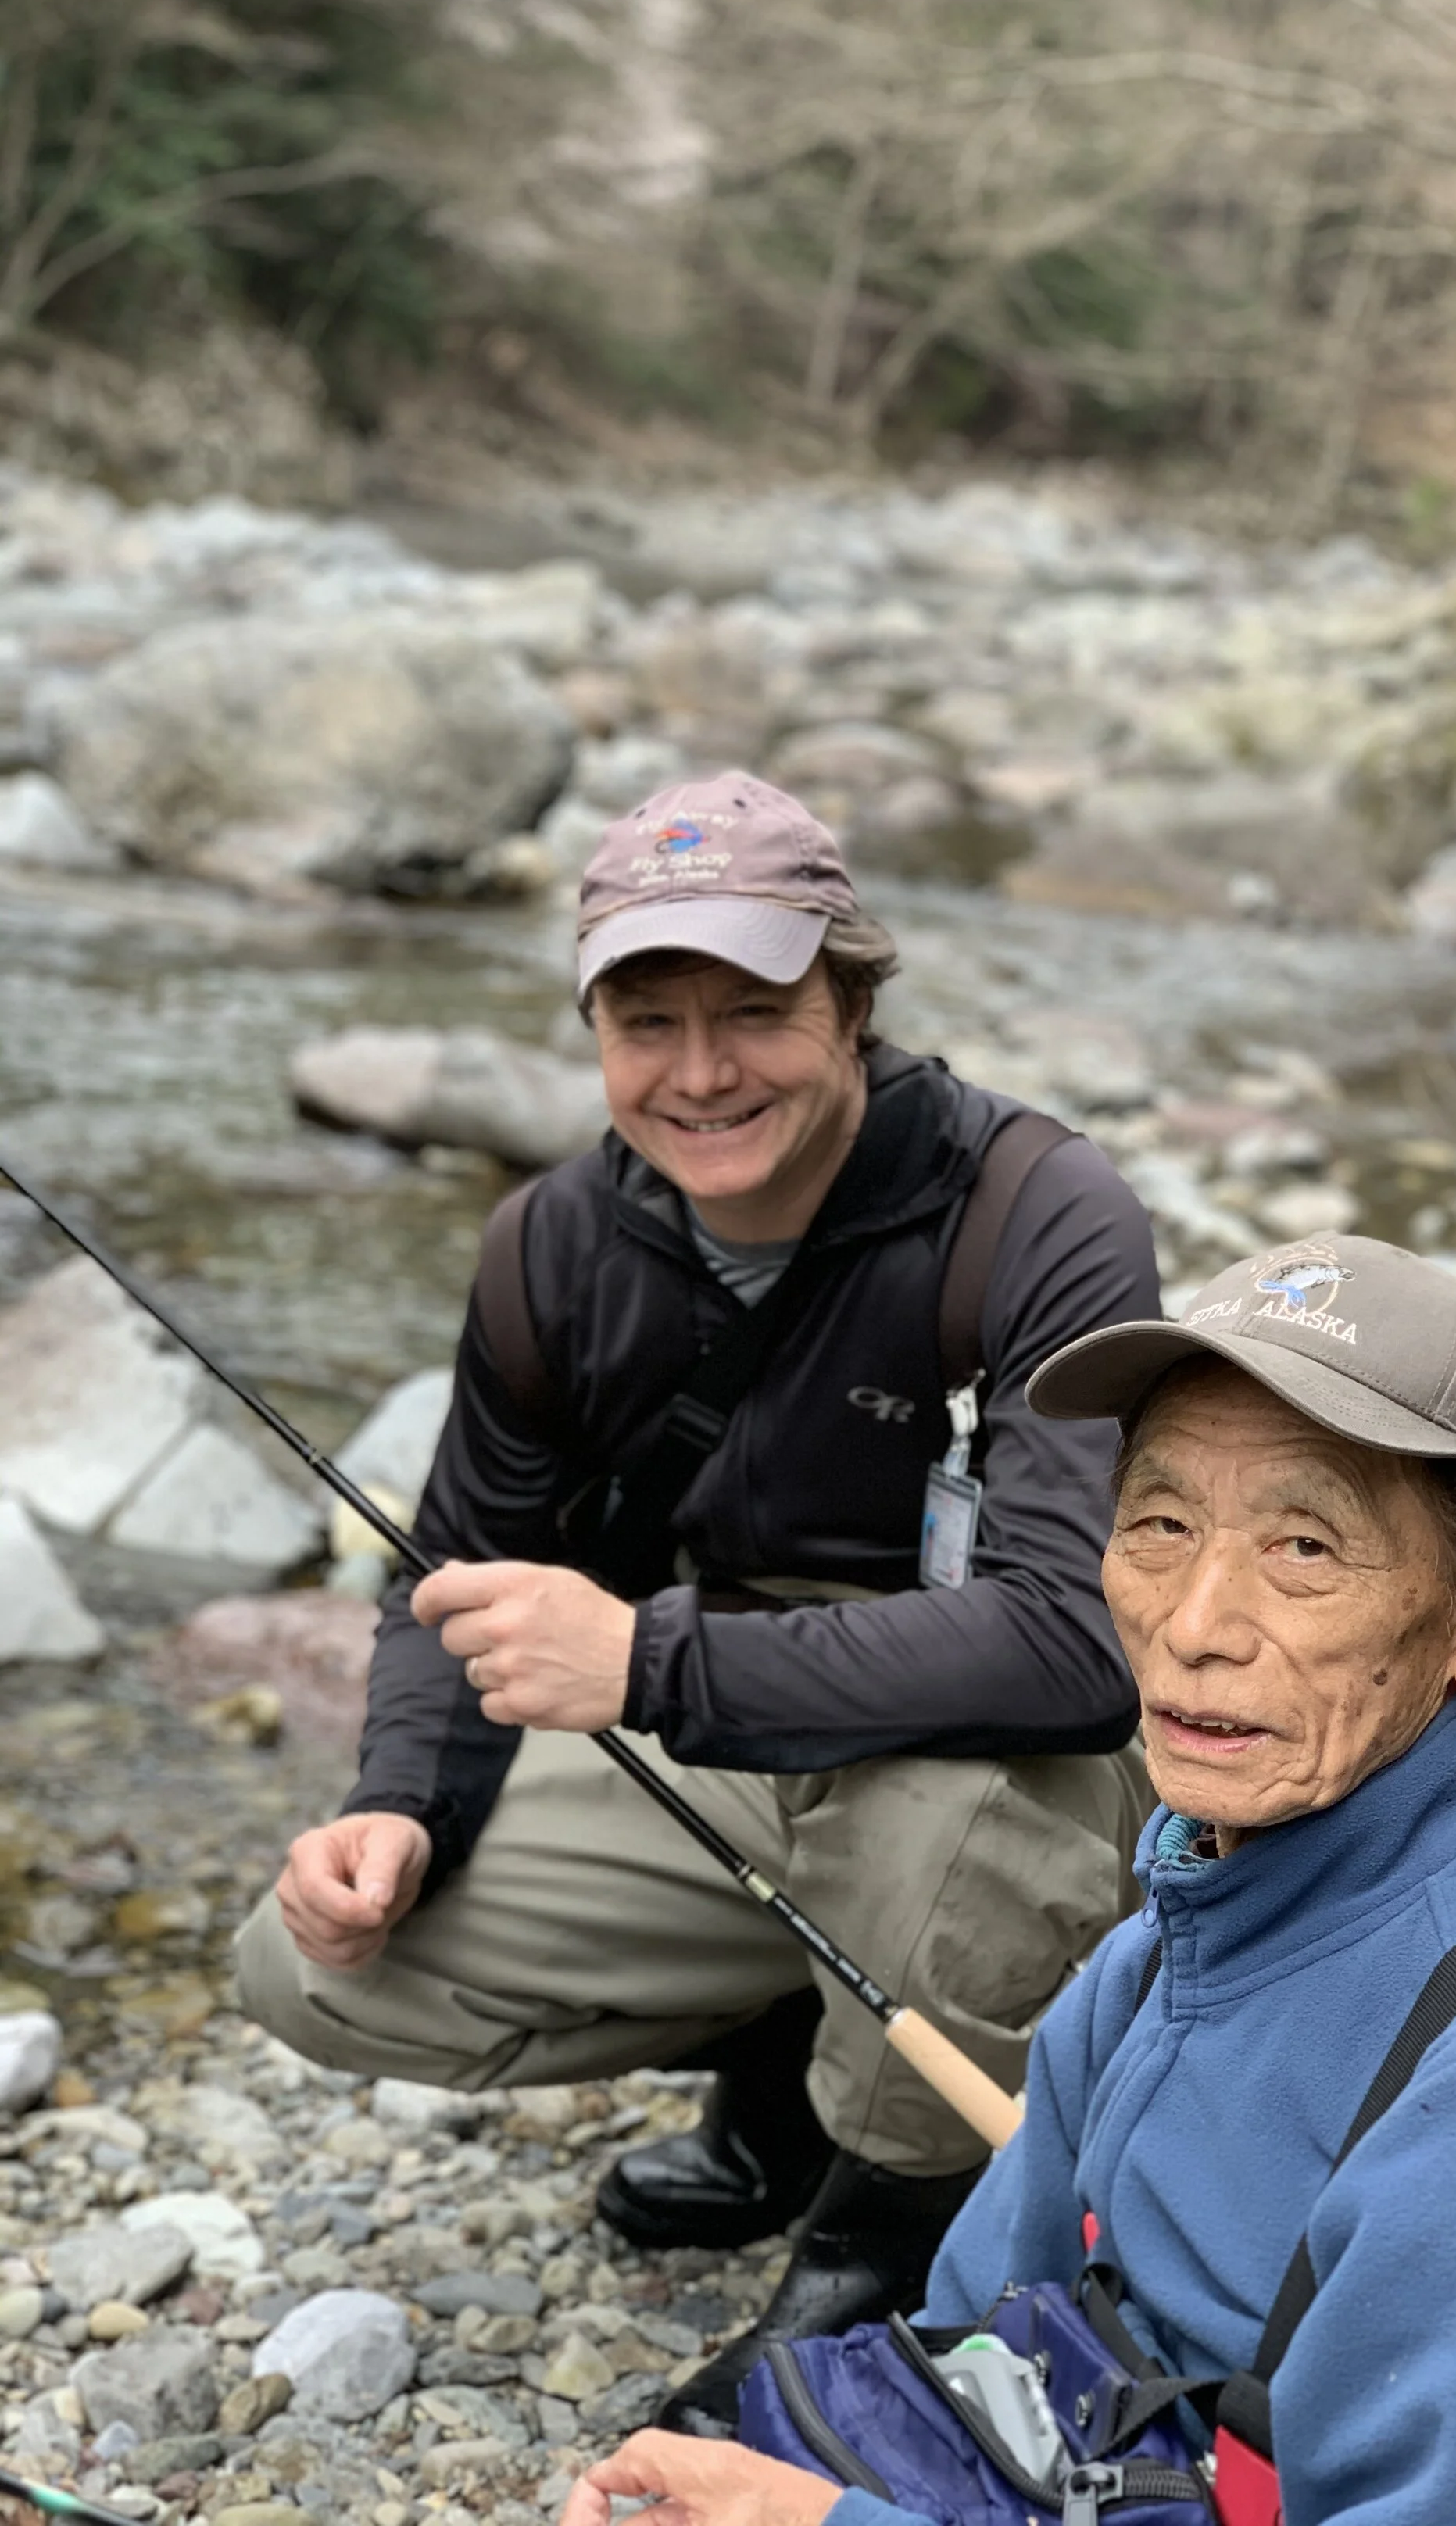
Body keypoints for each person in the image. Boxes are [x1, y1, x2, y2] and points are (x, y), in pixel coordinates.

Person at [560, 1233, 1456, 2526]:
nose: (1196, 1624)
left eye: (1307, 1547)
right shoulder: (1175, 1931)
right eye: (1159, 1521)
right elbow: (962, 2358)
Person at [234, 773, 1160, 2431]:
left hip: (1016, 1752)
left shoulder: (1038, 1212)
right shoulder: (550, 1245)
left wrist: (646, 1654)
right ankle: (788, 2079)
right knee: (312, 1969)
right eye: (645, 1018)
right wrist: (394, 1806)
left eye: (753, 1011)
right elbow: (448, 1577)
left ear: (853, 1004)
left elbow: (1076, 1645)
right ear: (593, 1031)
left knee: (940, 1834)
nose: (699, 1069)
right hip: (729, 1722)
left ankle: (884, 2258)